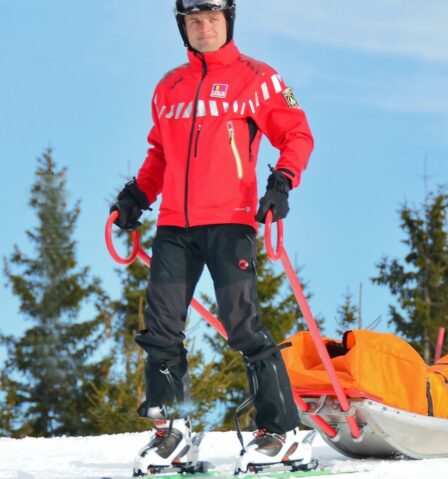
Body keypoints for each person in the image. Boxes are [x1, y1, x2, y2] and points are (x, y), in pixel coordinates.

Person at [110, 0, 314, 474]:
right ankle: (169, 435)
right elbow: (159, 153)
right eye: (195, 21)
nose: (204, 29)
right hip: (176, 227)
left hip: (231, 220)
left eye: (213, 20)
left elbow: (297, 134)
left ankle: (280, 432)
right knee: (160, 329)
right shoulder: (169, 87)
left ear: (229, 22)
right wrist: (138, 193)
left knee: (242, 325)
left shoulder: (258, 78)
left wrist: (282, 182)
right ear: (183, 27)